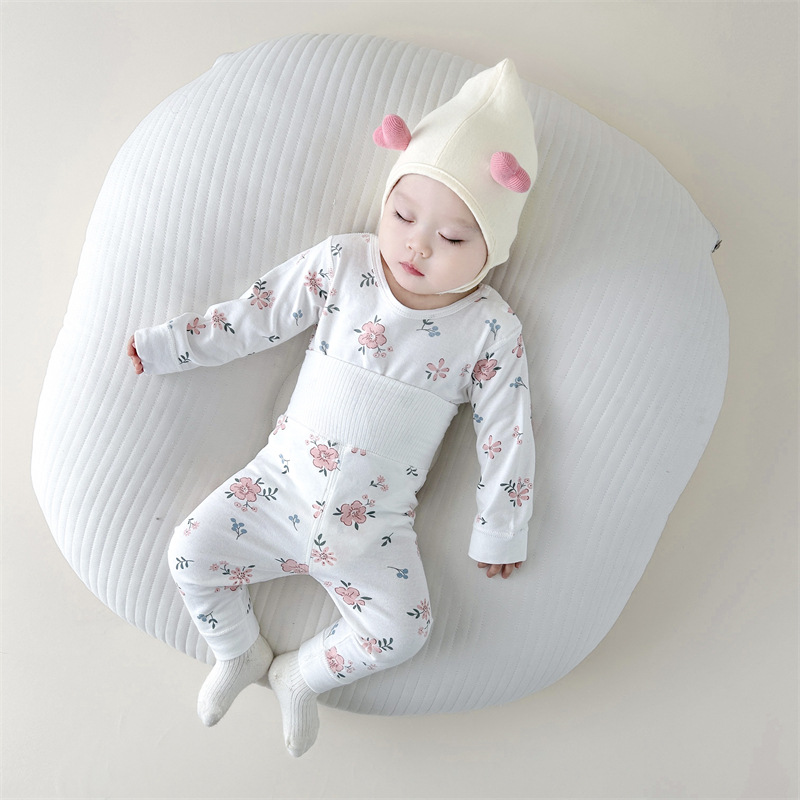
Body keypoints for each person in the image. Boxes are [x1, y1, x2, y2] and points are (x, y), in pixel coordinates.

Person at [127, 58, 537, 757]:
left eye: (452, 238)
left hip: (372, 528)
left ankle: (301, 676)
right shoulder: (345, 264)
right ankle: (238, 652)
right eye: (403, 215)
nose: (417, 243)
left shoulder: (490, 328)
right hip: (278, 486)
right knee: (190, 553)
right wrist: (173, 345)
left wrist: (500, 529)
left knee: (403, 631)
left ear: (492, 250)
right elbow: (256, 315)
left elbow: (506, 430)